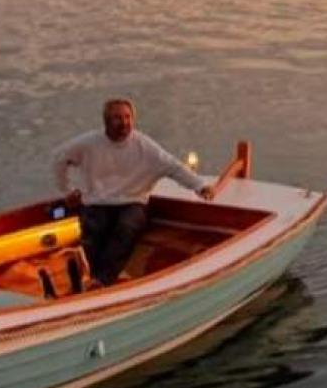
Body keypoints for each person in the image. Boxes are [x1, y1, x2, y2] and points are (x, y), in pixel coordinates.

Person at [52, 98, 215, 288]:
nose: (124, 123)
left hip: (132, 202)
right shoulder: (89, 144)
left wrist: (200, 186)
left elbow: (173, 167)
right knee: (95, 227)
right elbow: (58, 159)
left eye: (127, 117)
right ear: (106, 121)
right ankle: (92, 277)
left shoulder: (144, 146)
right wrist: (67, 190)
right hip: (97, 201)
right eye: (117, 118)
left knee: (126, 226)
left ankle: (101, 281)